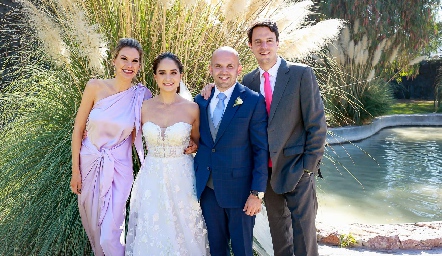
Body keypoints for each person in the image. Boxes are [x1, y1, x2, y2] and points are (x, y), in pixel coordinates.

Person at [202, 21, 327, 256]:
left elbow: (317, 124)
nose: (264, 46)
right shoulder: (247, 82)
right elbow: (226, 88)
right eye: (257, 41)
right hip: (265, 174)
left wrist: (308, 168)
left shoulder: (300, 74)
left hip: (296, 168)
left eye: (269, 40)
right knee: (280, 237)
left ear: (278, 43)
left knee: (304, 236)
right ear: (250, 46)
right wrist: (211, 87)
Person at [70, 38, 152, 256]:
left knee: (110, 234)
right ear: (113, 60)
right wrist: (75, 172)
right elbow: (78, 129)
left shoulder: (142, 95)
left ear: (139, 66)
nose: (129, 65)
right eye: (124, 58)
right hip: (89, 162)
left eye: (135, 61)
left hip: (119, 168)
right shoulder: (94, 87)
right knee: (95, 230)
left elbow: (165, 113)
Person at [125, 52, 209, 255]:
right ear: (155, 76)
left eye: (173, 72)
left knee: (184, 228)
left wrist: (194, 146)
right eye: (162, 73)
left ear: (180, 75)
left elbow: (198, 142)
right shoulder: (143, 107)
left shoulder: (192, 109)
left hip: (182, 176)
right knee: (152, 226)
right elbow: (125, 136)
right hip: (151, 177)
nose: (168, 78)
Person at [194, 46, 268, 256]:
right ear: (210, 69)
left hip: (241, 192)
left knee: (242, 250)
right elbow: (199, 139)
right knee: (216, 249)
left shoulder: (253, 101)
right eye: (218, 66)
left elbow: (260, 150)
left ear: (239, 69)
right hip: (208, 190)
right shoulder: (200, 100)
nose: (223, 71)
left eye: (229, 66)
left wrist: (257, 193)